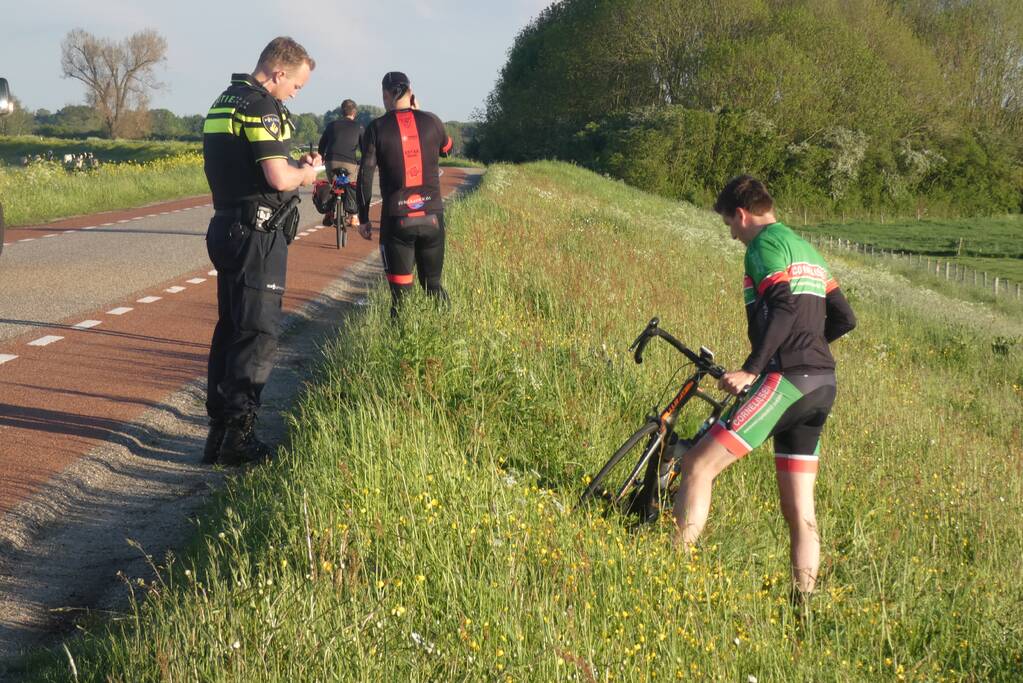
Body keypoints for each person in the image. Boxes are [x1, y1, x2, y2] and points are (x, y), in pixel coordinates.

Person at [672, 175, 857, 598]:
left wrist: (754, 368)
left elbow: (785, 305)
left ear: (741, 214)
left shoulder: (763, 245)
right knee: (800, 512)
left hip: (786, 381)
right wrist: (810, 347)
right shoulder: (807, 250)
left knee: (698, 467)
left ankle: (669, 579)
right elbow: (845, 318)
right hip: (822, 384)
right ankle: (803, 608)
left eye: (729, 226)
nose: (734, 236)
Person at [200, 37, 322, 466]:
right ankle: (239, 438)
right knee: (257, 333)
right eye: (296, 86)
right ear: (278, 72)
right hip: (257, 232)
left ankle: (217, 435)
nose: (294, 94)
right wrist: (305, 174)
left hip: (225, 224)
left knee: (231, 328)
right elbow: (276, 176)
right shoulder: (260, 105)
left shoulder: (224, 100)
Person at [356, 71, 454, 315]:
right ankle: (447, 332)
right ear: (411, 94)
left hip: (397, 221)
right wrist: (422, 112)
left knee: (400, 299)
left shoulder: (376, 128)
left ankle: (399, 349)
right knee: (433, 287)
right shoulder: (432, 121)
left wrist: (364, 217)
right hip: (432, 217)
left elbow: (365, 175)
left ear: (386, 96)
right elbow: (448, 150)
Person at [318, 99, 363, 182]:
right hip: (349, 163)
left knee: (333, 185)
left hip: (331, 162)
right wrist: (362, 160)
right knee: (350, 187)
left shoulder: (331, 125)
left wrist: (322, 157)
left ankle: (333, 192)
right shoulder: (359, 127)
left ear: (342, 112)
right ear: (354, 112)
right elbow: (365, 148)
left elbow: (322, 144)